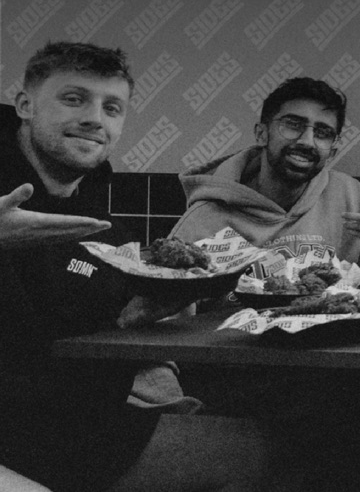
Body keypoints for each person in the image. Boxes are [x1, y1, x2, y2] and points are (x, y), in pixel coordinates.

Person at [0, 40, 273, 492]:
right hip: (22, 435)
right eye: (74, 99)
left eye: (112, 108)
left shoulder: (104, 225)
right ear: (25, 105)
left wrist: (140, 313)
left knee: (261, 443)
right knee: (249, 452)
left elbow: (84, 327)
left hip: (75, 427)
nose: (95, 119)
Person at [170, 77, 360, 265]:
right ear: (262, 133)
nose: (306, 141)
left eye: (322, 132)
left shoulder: (350, 198)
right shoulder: (207, 217)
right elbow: (165, 310)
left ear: (333, 151)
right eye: (293, 125)